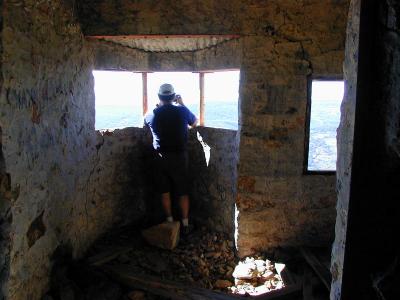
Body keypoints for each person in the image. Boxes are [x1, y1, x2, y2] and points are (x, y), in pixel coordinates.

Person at [144, 83, 198, 235]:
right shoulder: (182, 110)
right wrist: (182, 104)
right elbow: (194, 123)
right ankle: (185, 224)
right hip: (179, 157)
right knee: (183, 190)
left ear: (160, 97)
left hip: (160, 158)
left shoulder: (152, 113)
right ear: (173, 96)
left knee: (164, 190)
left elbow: (147, 122)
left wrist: (158, 107)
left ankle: (169, 222)